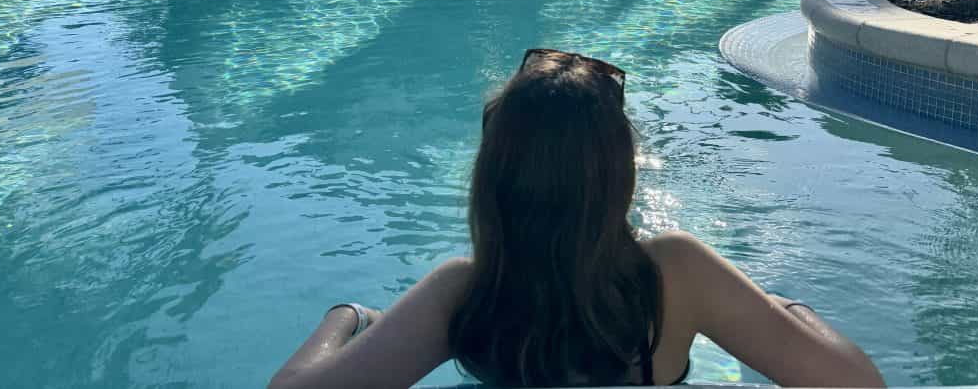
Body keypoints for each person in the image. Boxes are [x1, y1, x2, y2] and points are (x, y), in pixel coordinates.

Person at [269, 50, 885, 389]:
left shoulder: (464, 294)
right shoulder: (676, 273)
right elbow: (857, 388)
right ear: (619, 172)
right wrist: (787, 312)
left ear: (494, 177)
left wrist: (346, 316)